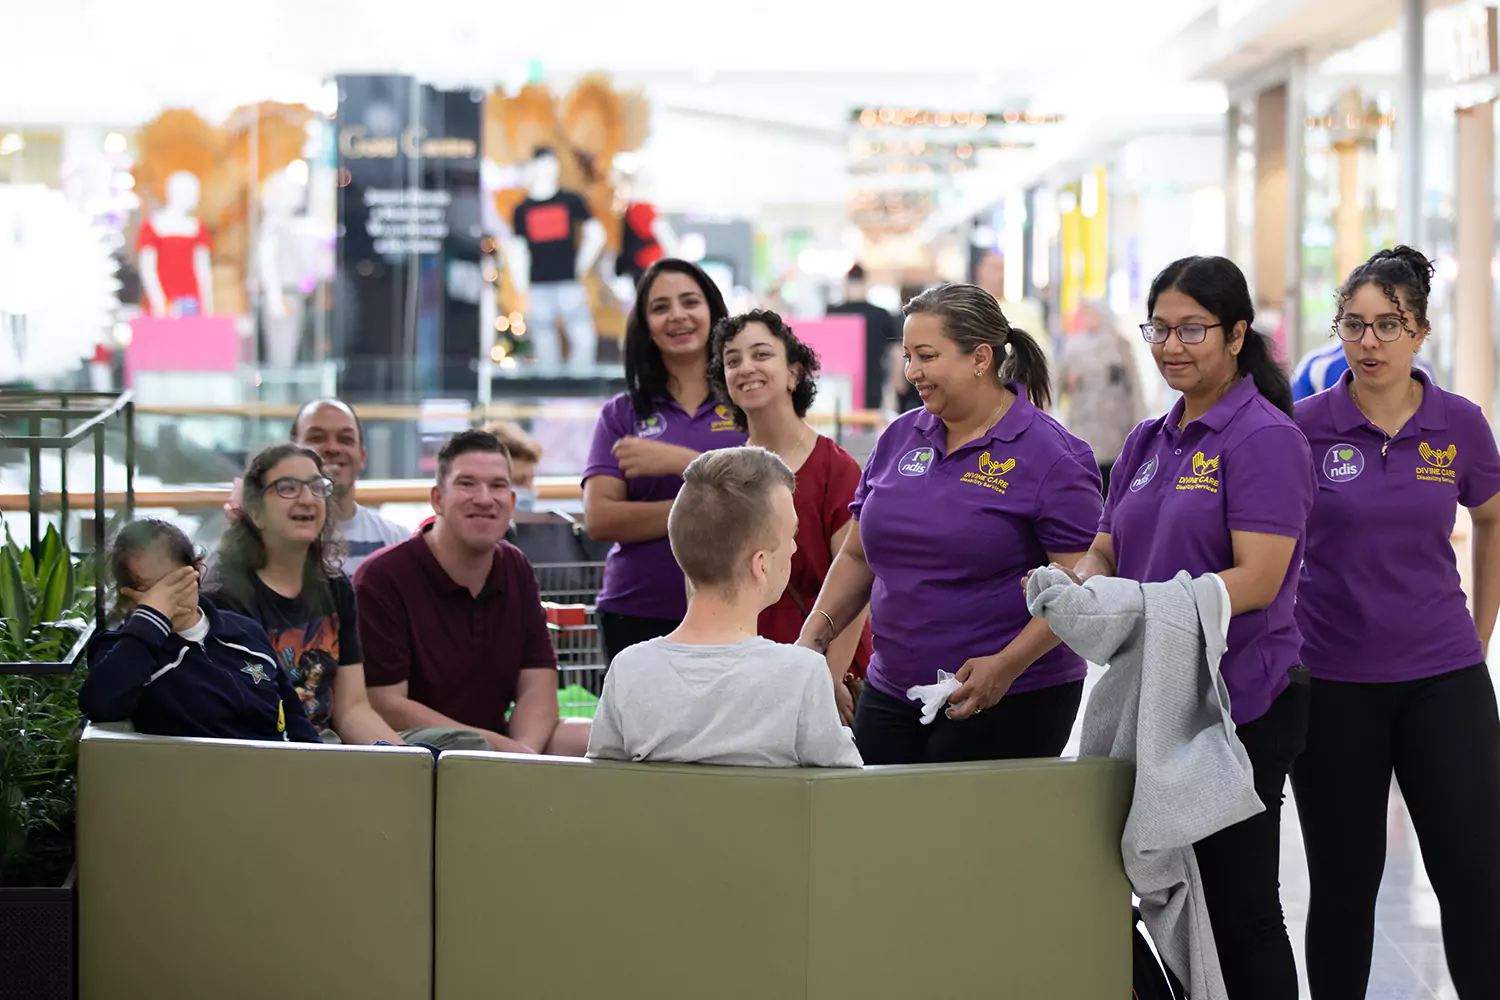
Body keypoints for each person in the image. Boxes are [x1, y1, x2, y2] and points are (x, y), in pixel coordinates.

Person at [1065, 256, 1314, 999]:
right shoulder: (1147, 440)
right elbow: (1109, 546)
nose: (1172, 346)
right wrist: (1075, 588)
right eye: (1160, 329)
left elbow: (1261, 578)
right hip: (1154, 698)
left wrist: (1146, 604)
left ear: (1237, 335)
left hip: (1240, 703)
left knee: (1238, 906)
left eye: (1192, 330)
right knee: (1128, 889)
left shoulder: (1263, 438)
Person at [1290, 246, 1500, 999]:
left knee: (1475, 881)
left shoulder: (1460, 425)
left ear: (1420, 332)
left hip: (1443, 680)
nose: (1370, 342)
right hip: (1334, 682)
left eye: (1389, 325)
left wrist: (1477, 638)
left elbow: (1491, 517)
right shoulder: (1302, 426)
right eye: (1354, 325)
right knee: (1344, 890)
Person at [796, 283, 1102, 764]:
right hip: (891, 688)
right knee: (875, 832)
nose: (912, 372)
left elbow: (1081, 591)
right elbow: (858, 555)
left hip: (1010, 697)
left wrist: (1007, 665)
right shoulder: (900, 436)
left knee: (958, 837)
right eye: (908, 357)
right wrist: (812, 639)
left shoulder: (1051, 455)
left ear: (980, 357)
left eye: (927, 356)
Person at [587, 448, 861, 767]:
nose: (795, 547)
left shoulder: (629, 670)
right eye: (792, 535)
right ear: (760, 564)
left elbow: (603, 786)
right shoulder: (801, 675)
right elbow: (839, 791)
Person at [356, 430, 590, 756]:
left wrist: (523, 755)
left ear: (511, 501)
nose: (484, 498)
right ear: (437, 499)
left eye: (497, 485)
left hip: (501, 747)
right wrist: (497, 750)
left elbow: (538, 684)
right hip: (414, 752)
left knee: (600, 739)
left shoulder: (515, 566)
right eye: (467, 483)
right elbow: (384, 704)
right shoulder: (382, 578)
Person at [204, 443, 450, 748]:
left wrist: (405, 762)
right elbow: (239, 720)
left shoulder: (335, 588)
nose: (307, 499)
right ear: (255, 512)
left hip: (331, 743)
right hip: (266, 749)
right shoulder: (225, 596)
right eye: (288, 488)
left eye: (316, 487)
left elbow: (352, 709)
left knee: (464, 746)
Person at [708, 309, 872, 726]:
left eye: (761, 354)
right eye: (732, 360)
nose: (746, 368)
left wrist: (827, 679)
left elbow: (856, 587)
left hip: (824, 661)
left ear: (794, 373)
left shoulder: (835, 470)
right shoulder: (721, 474)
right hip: (743, 671)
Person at [582, 258, 747, 663]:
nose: (677, 316)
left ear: (713, 312)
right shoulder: (622, 413)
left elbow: (769, 504)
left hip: (738, 610)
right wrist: (706, 505)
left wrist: (681, 461)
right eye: (660, 307)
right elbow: (600, 519)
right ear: (646, 327)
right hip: (634, 608)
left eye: (689, 301)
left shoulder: (748, 400)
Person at [81, 518, 319, 743]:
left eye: (174, 582)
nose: (169, 599)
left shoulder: (244, 632)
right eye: (152, 591)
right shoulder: (121, 650)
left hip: (280, 772)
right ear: (129, 597)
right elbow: (100, 704)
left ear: (195, 570)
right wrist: (151, 619)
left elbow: (295, 719)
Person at [290, 399, 408, 575]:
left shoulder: (396, 542)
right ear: (290, 453)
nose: (332, 448)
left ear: (362, 457)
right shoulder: (271, 540)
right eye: (316, 438)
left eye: (346, 439)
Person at [1057, 298, 1145, 497]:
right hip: (1083, 425)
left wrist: (1139, 423)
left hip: (1115, 425)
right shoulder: (1074, 345)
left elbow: (1134, 385)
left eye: (1091, 313)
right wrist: (1068, 382)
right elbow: (1058, 381)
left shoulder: (1120, 344)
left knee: (1112, 480)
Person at [826, 262, 897, 414]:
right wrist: (896, 383)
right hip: (872, 383)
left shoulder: (832, 314)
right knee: (869, 430)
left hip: (840, 386)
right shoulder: (881, 315)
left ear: (846, 283)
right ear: (866, 283)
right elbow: (895, 351)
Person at [1291, 335, 1433, 403]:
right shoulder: (1318, 367)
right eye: (1355, 324)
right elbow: (1290, 423)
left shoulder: (1420, 371)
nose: (1369, 342)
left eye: (1386, 325)